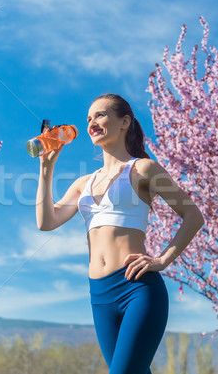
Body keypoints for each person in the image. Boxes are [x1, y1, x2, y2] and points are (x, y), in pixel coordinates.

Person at [35, 94, 204, 374]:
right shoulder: (83, 184)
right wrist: (46, 167)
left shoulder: (143, 169)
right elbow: (46, 221)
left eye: (100, 115)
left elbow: (193, 216)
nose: (92, 123)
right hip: (99, 295)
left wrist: (162, 260)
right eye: (89, 118)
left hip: (136, 288)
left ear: (124, 121)